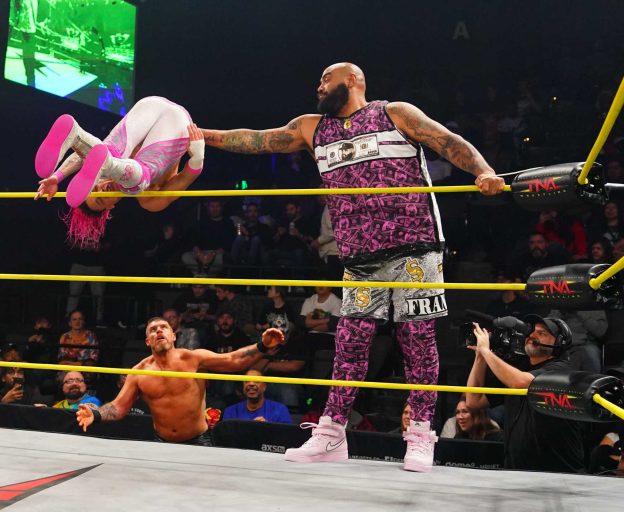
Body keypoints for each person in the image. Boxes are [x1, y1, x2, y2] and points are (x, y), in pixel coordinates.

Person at [203, 62, 504, 471]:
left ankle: (420, 434)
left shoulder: (394, 113)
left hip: (415, 248)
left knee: (417, 339)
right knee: (349, 344)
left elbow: (448, 142)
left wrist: (483, 170)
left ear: (353, 80)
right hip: (360, 258)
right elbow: (257, 140)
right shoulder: (312, 128)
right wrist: (202, 135)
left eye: (326, 79)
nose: (318, 86)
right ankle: (331, 432)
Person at [76, 317, 285, 444]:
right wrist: (96, 414)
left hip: (199, 439)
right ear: (147, 341)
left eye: (163, 327)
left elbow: (233, 360)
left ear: (173, 335)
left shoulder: (193, 359)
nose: (159, 331)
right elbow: (118, 407)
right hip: (162, 441)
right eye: (153, 330)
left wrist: (263, 346)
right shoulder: (139, 372)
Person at [34, 97, 205, 249]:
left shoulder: (103, 160)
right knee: (136, 181)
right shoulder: (149, 201)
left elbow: (86, 156)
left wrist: (57, 176)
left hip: (150, 107)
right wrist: (198, 157)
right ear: (110, 207)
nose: (102, 189)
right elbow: (184, 178)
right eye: (101, 199)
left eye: (94, 188)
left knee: (110, 150)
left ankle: (76, 134)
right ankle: (86, 144)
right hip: (176, 127)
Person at [465, 315, 585, 472]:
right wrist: (480, 358)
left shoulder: (560, 370)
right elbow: (473, 400)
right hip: (517, 471)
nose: (532, 336)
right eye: (531, 332)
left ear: (559, 342)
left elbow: (520, 383)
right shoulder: (517, 369)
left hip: (558, 473)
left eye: (542, 333)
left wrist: (486, 351)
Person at [222, 369, 292, 423]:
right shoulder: (230, 411)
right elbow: (226, 436)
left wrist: (267, 428)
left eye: (256, 381)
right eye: (247, 381)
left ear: (264, 386)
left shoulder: (280, 409)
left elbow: (286, 435)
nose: (251, 384)